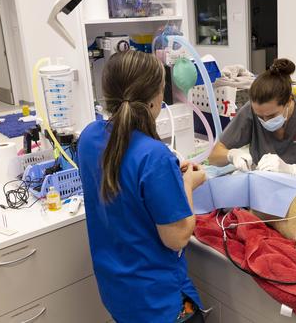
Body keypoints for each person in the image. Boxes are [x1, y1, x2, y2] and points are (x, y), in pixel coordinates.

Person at [78, 50, 207, 322]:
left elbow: (123, 192)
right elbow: (177, 237)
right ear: (155, 98)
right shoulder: (153, 156)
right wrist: (187, 183)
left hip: (117, 291)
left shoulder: (90, 136)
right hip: (157, 302)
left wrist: (167, 179)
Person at [209, 58, 296, 195]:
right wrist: (232, 155)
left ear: (288, 101)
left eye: (271, 116)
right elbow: (214, 156)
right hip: (269, 192)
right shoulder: (250, 111)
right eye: (259, 116)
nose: (264, 121)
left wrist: (292, 170)